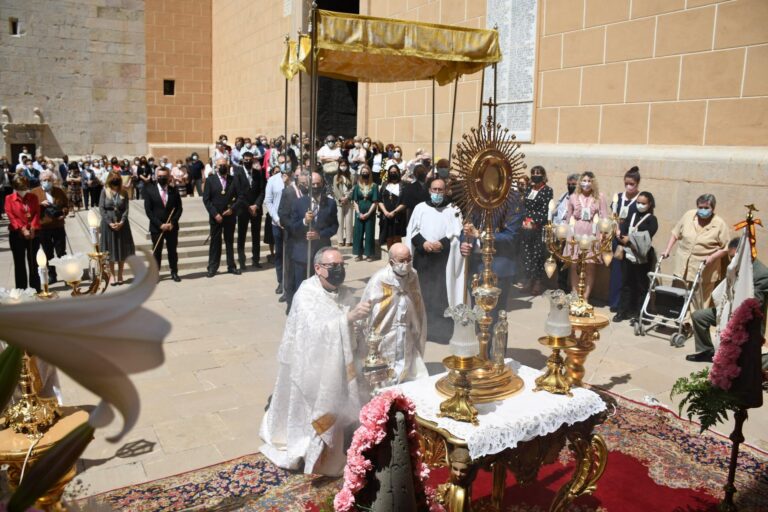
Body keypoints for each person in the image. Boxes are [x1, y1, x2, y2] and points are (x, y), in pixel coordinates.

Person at [260, 246, 371, 476]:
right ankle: (318, 451)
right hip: (310, 370)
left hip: (336, 364)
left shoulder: (341, 291)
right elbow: (313, 333)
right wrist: (348, 318)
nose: (339, 270)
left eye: (342, 265)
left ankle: (341, 443)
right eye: (333, 266)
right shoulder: (306, 294)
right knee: (317, 412)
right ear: (318, 268)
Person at [359, 243, 428, 391]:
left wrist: (416, 326)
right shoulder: (380, 279)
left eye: (409, 259)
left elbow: (417, 302)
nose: (406, 264)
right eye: (402, 260)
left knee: (408, 368)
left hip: (407, 332)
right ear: (392, 262)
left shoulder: (413, 275)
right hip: (386, 334)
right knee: (386, 374)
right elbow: (367, 304)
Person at [687, 239, 768, 363]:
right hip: (726, 311)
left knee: (745, 361)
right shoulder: (734, 267)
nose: (732, 260)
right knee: (699, 316)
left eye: (734, 256)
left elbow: (754, 304)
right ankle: (708, 351)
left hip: (746, 320)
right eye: (730, 257)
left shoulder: (761, 274)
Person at [405, 178, 464, 343]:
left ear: (446, 191)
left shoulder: (453, 210)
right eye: (434, 189)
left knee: (440, 295)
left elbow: (457, 233)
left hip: (443, 260)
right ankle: (420, 330)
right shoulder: (420, 208)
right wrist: (423, 243)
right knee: (422, 293)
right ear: (429, 190)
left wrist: (442, 243)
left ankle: (440, 332)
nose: (437, 193)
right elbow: (412, 230)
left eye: (440, 190)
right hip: (423, 258)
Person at [461, 191, 525, 327]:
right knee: (477, 313)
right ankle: (480, 347)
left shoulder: (513, 198)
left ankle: (495, 348)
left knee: (494, 318)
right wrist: (465, 243)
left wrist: (481, 235)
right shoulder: (476, 195)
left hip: (499, 267)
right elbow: (467, 226)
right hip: (475, 265)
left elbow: (511, 236)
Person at [661, 193, 730, 312]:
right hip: (684, 265)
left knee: (699, 299)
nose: (703, 210)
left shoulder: (719, 224)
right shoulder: (689, 216)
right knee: (682, 294)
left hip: (705, 267)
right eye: (700, 207)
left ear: (713, 208)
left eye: (706, 208)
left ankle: (695, 323)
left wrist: (712, 257)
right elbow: (675, 233)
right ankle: (683, 321)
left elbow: (726, 247)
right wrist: (667, 250)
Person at [290, 172, 339, 294]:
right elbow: (292, 228)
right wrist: (305, 221)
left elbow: (334, 226)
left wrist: (320, 235)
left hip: (321, 254)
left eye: (318, 183)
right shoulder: (298, 203)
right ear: (308, 185)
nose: (316, 186)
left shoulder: (330, 203)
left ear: (322, 184)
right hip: (302, 254)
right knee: (301, 289)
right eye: (313, 184)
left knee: (321, 288)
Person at [613, 191, 657, 323]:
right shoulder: (632, 215)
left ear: (649, 204)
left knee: (641, 286)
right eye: (638, 202)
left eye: (643, 203)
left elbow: (647, 235)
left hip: (642, 256)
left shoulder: (651, 219)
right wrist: (620, 234)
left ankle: (640, 314)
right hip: (628, 254)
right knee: (626, 283)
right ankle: (623, 311)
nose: (640, 205)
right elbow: (623, 230)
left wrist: (630, 239)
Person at [565, 171, 608, 302]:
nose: (586, 183)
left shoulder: (599, 197)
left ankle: (585, 297)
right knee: (574, 264)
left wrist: (603, 234)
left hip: (592, 233)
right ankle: (574, 294)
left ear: (593, 182)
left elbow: (604, 217)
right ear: (580, 182)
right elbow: (569, 217)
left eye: (589, 181)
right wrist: (568, 235)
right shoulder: (573, 197)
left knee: (590, 266)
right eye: (584, 180)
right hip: (575, 232)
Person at [609, 166, 642, 312]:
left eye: (632, 184)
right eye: (626, 183)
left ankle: (628, 305)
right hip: (617, 239)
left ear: (637, 184)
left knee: (629, 274)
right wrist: (616, 229)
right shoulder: (619, 198)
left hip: (631, 241)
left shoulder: (640, 199)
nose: (629, 187)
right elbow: (614, 216)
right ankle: (615, 302)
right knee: (617, 272)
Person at [202, 158, 242, 278]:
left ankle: (231, 266)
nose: (222, 167)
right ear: (216, 167)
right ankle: (212, 267)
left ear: (228, 166)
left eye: (224, 165)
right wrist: (215, 214)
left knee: (229, 241)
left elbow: (240, 196)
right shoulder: (210, 180)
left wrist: (232, 209)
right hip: (216, 218)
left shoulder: (233, 179)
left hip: (229, 216)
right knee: (215, 242)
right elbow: (206, 199)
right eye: (220, 165)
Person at [144, 167, 183, 282]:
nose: (162, 178)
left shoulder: (174, 191)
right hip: (157, 228)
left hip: (171, 227)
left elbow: (179, 209)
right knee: (157, 252)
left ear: (169, 177)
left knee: (172, 251)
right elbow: (148, 211)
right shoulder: (150, 190)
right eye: (160, 176)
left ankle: (174, 272)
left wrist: (173, 222)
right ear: (156, 177)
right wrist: (160, 224)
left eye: (164, 177)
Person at [521, 165, 553, 296]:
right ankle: (529, 279)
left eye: (538, 173)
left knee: (538, 255)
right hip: (525, 226)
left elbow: (545, 210)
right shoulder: (529, 188)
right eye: (533, 173)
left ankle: (537, 281)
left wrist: (534, 222)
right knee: (527, 254)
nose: (535, 175)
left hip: (538, 227)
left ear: (543, 175)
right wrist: (523, 220)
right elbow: (524, 206)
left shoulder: (547, 190)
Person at [99, 171, 135, 285]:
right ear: (109, 179)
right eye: (113, 178)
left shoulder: (124, 192)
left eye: (117, 178)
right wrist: (109, 222)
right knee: (110, 250)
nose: (115, 180)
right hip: (108, 225)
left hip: (122, 225)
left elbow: (126, 209)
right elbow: (101, 208)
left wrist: (122, 221)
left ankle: (120, 274)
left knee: (121, 249)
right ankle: (112, 275)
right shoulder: (104, 191)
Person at [32, 171, 69, 283]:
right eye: (44, 180)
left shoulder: (59, 191)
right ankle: (52, 275)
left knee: (61, 252)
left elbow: (66, 205)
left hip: (58, 226)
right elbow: (30, 209)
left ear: (53, 181)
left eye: (49, 180)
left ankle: (66, 274)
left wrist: (63, 213)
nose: (47, 182)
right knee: (48, 253)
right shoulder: (34, 192)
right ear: (41, 181)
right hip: (44, 227)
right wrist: (39, 204)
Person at [6, 175, 42, 291]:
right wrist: (22, 229)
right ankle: (21, 289)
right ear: (15, 188)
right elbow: (11, 216)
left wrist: (32, 227)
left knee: (33, 262)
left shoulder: (33, 197)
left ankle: (35, 288)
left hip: (33, 233)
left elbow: (37, 212)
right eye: (20, 189)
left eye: (25, 188)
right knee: (19, 263)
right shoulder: (9, 198)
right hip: (17, 234)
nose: (23, 191)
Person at [234, 152, 266, 269]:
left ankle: (256, 259)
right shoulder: (237, 173)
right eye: (245, 160)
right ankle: (242, 261)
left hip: (256, 209)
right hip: (243, 209)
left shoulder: (258, 173)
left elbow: (262, 191)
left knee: (256, 235)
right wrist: (248, 206)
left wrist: (256, 205)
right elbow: (239, 193)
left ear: (253, 160)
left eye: (249, 160)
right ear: (243, 160)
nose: (247, 162)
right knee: (241, 236)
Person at [264, 165, 291, 295]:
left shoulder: (294, 179)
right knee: (279, 253)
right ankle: (281, 281)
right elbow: (268, 201)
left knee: (290, 254)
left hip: (291, 223)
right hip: (277, 222)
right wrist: (276, 218)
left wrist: (288, 184)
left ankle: (290, 281)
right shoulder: (272, 180)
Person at [553, 173, 579, 292]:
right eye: (569, 184)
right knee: (559, 260)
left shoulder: (579, 199)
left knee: (568, 261)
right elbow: (557, 211)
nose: (570, 186)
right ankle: (561, 286)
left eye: (573, 184)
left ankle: (571, 288)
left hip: (571, 233)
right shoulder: (564, 196)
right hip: (559, 232)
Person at [351, 165, 379, 261]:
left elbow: (375, 202)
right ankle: (358, 254)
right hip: (359, 212)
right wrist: (358, 213)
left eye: (366, 172)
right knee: (358, 233)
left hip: (370, 213)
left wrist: (368, 213)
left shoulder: (374, 186)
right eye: (363, 172)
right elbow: (355, 200)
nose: (364, 174)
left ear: (370, 173)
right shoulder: (357, 185)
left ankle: (369, 254)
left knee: (369, 233)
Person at [378, 164, 407, 250]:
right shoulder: (384, 184)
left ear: (398, 172)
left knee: (397, 238)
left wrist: (394, 212)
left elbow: (404, 202)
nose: (393, 173)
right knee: (388, 237)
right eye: (391, 172)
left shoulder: (403, 185)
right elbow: (379, 200)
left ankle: (398, 258)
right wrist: (386, 212)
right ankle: (391, 258)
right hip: (386, 216)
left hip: (398, 216)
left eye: (395, 172)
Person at [333, 163, 354, 247]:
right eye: (341, 165)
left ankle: (349, 240)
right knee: (340, 221)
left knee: (349, 221)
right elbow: (335, 189)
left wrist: (347, 197)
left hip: (348, 201)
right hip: (339, 202)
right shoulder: (336, 177)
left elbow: (353, 188)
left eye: (344, 165)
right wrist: (340, 198)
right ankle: (340, 240)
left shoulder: (351, 176)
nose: (343, 167)